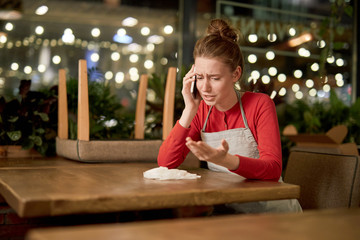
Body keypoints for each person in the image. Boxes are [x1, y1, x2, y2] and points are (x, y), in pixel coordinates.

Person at [157, 18, 302, 213]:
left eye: (215, 78)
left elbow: (273, 169)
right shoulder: (200, 110)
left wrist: (227, 160)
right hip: (228, 209)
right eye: (199, 77)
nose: (205, 87)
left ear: (235, 74)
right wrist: (189, 109)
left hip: (270, 210)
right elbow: (166, 163)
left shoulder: (260, 104)